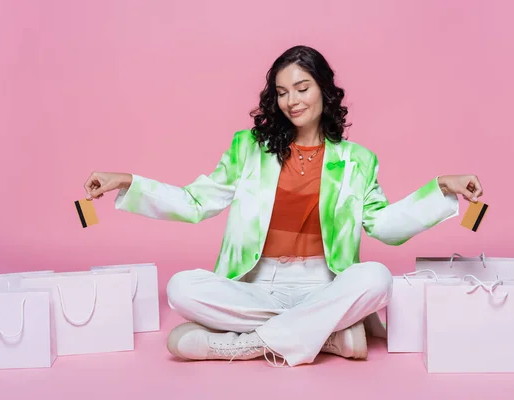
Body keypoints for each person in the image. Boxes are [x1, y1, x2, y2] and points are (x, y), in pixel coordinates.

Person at [83, 45, 483, 368]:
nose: (292, 100)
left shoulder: (358, 160)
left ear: (324, 90)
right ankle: (328, 337)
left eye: (302, 87)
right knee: (181, 288)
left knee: (377, 279)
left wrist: (441, 191)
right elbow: (195, 202)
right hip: (256, 285)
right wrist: (128, 183)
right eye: (282, 91)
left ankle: (240, 347)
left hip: (324, 285)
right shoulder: (248, 148)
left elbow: (385, 226)